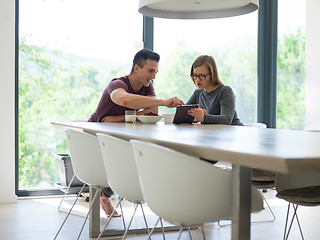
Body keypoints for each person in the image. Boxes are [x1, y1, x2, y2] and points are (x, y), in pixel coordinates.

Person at [88, 49, 184, 217]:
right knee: (132, 159)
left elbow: (152, 112)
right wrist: (163, 102)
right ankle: (106, 195)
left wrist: (118, 119)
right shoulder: (118, 84)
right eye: (150, 71)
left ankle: (108, 194)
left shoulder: (148, 88)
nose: (153, 76)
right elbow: (124, 99)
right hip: (96, 139)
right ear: (137, 68)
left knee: (144, 155)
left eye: (156, 72)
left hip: (121, 137)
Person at [186, 55, 243, 125]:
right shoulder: (198, 93)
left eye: (202, 76)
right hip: (212, 133)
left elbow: (227, 119)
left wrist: (204, 117)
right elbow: (185, 114)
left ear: (212, 74)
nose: (197, 80)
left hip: (234, 132)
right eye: (195, 75)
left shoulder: (225, 91)